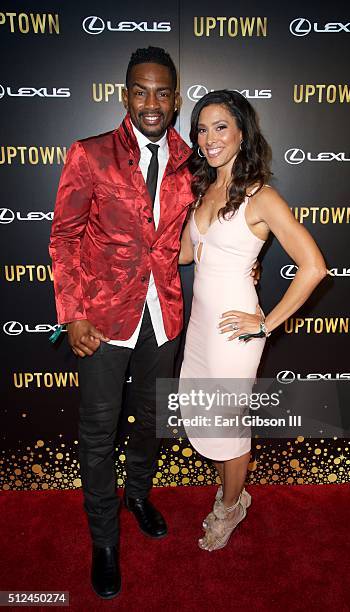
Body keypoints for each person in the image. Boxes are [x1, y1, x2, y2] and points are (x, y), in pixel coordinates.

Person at [49, 47, 193, 599]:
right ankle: (104, 541)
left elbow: (193, 233)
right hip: (104, 319)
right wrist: (73, 314)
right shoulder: (90, 155)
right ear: (124, 94)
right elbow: (62, 238)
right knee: (98, 432)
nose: (151, 102)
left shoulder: (190, 159)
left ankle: (137, 494)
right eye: (141, 91)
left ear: (176, 100)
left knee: (153, 416)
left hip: (164, 312)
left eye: (162, 93)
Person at [178, 90, 327, 551]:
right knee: (207, 417)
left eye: (220, 126)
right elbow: (184, 253)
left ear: (242, 132)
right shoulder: (205, 189)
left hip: (232, 334)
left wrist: (266, 324)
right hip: (202, 328)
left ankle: (230, 504)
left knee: (228, 426)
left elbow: (314, 266)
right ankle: (233, 492)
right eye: (202, 129)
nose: (209, 137)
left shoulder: (261, 195)